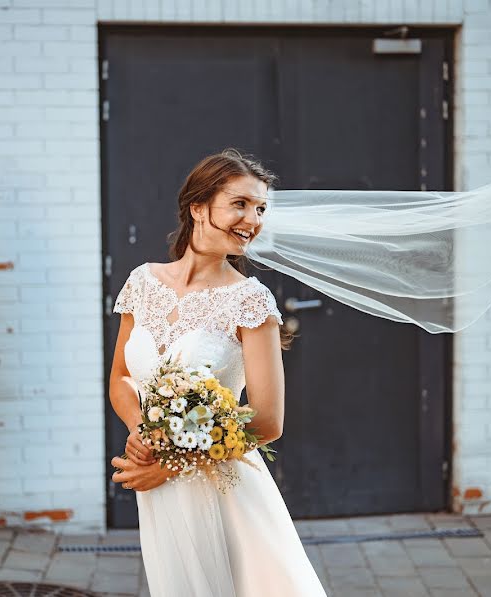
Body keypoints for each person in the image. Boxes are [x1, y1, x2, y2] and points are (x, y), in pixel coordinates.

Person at [109, 150, 327, 596]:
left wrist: (169, 466)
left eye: (260, 208)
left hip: (222, 487)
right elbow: (120, 379)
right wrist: (143, 432)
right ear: (198, 207)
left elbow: (268, 422)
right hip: (159, 483)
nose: (253, 220)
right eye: (240, 204)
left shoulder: (251, 301)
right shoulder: (142, 283)